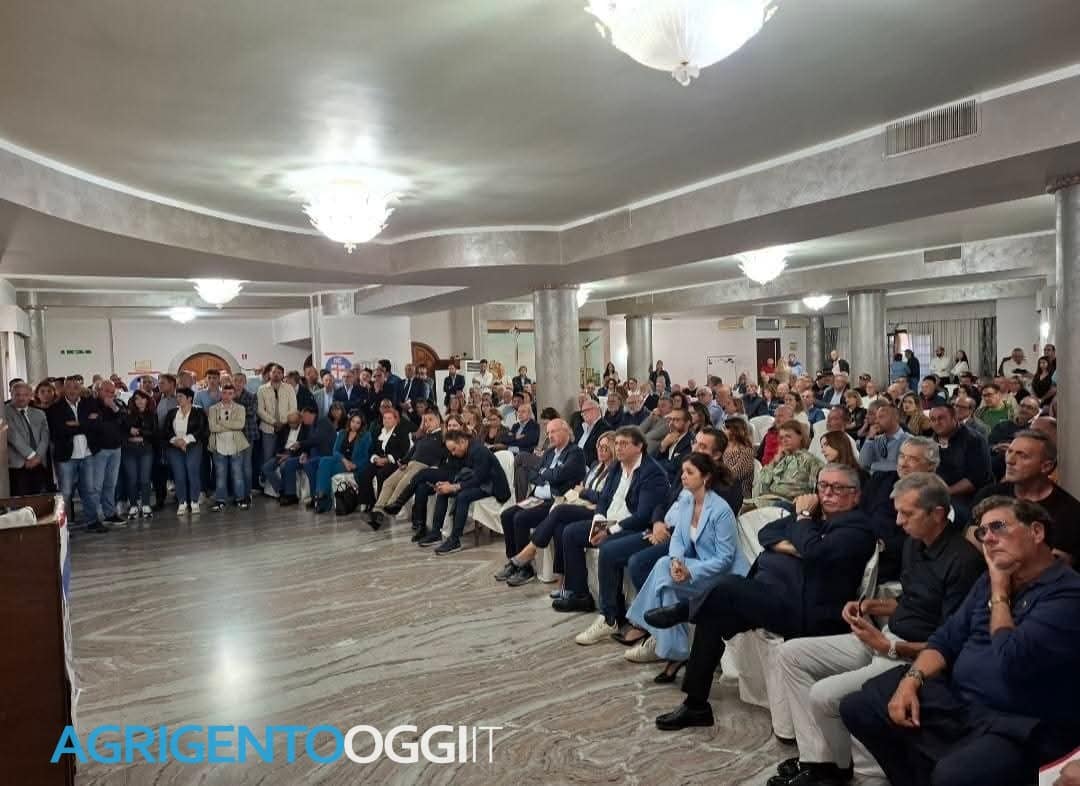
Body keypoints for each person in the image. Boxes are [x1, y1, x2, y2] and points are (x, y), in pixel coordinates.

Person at [839, 496, 1080, 786]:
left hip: (1020, 722)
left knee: (953, 774)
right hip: (961, 702)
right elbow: (945, 639)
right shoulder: (988, 581)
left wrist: (999, 591)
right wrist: (911, 681)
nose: (987, 538)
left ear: (1036, 532)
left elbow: (1010, 657)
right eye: (982, 532)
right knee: (859, 707)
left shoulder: (1067, 593)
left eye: (998, 527)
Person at [770, 473, 984, 786]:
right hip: (887, 639)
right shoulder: (915, 544)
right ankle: (821, 760)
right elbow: (913, 602)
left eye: (907, 514)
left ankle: (836, 769)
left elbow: (951, 642)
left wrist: (890, 647)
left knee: (824, 695)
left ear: (937, 514)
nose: (898, 522)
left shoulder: (963, 562)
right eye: (897, 512)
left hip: (912, 656)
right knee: (790, 653)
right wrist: (870, 606)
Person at [650, 464, 877, 731]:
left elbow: (816, 552)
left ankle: (684, 610)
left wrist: (803, 519)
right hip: (771, 596)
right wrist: (797, 545)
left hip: (805, 611)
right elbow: (767, 534)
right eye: (823, 486)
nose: (827, 493)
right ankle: (696, 705)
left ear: (855, 495)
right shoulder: (815, 518)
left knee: (727, 586)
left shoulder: (857, 529)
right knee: (712, 614)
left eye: (837, 488)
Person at [621, 453, 750, 682]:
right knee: (665, 571)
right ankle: (677, 653)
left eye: (689, 472)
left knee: (664, 578)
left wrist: (690, 571)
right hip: (699, 566)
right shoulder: (687, 501)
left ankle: (646, 626)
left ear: (706, 477)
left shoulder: (721, 510)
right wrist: (676, 562)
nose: (683, 476)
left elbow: (725, 559)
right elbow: (678, 539)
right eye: (683, 471)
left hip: (725, 577)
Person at [552, 426, 669, 618]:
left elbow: (642, 515)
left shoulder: (652, 472)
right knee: (570, 532)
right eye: (617, 443)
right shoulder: (616, 466)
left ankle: (613, 611)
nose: (619, 448)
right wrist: (599, 521)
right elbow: (604, 499)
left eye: (624, 443)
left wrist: (609, 530)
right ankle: (581, 595)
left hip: (632, 526)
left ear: (639, 446)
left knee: (608, 544)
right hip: (609, 521)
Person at [495, 419, 586, 586]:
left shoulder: (575, 453)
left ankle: (525, 568)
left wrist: (546, 474)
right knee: (507, 515)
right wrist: (548, 474)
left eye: (554, 431)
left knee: (520, 518)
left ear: (566, 431)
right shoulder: (549, 452)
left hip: (555, 501)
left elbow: (560, 475)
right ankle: (513, 561)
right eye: (548, 432)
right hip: (536, 498)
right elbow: (533, 474)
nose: (550, 436)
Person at [970, 430, 1080, 565]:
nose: (1010, 460)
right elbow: (970, 536)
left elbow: (1057, 561)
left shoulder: (1070, 511)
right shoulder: (989, 494)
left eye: (1022, 455)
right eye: (1009, 452)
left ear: (1046, 466)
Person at [413, 430, 512, 555]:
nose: (453, 453)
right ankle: (436, 533)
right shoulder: (460, 452)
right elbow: (458, 473)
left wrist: (454, 487)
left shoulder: (479, 451)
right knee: (443, 491)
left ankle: (455, 540)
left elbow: (479, 478)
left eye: (454, 449)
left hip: (493, 486)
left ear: (463, 442)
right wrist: (446, 484)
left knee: (463, 496)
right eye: (451, 451)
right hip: (479, 483)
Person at [371, 411, 446, 525]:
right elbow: (412, 450)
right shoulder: (424, 436)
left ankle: (389, 508)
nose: (427, 423)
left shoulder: (442, 436)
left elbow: (444, 454)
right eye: (425, 421)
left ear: (438, 420)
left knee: (403, 483)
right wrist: (403, 461)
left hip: (423, 465)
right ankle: (377, 511)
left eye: (431, 420)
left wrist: (437, 466)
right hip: (410, 463)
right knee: (388, 482)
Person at [927, 403, 991, 516]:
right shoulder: (930, 442)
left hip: (966, 498)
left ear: (954, 418)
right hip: (935, 493)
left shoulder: (974, 440)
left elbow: (975, 480)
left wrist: (945, 492)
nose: (937, 423)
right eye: (933, 419)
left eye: (941, 418)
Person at [313, 412, 372, 514]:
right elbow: (335, 451)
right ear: (349, 421)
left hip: (353, 466)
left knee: (324, 464)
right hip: (341, 461)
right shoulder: (342, 433)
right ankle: (322, 495)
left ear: (362, 424)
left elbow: (366, 457)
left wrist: (355, 465)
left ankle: (322, 500)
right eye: (353, 421)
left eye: (358, 423)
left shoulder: (366, 436)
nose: (354, 424)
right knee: (324, 460)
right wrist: (344, 460)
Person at [163, 387, 209, 515]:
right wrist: (176, 441)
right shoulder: (172, 412)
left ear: (189, 398)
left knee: (192, 472)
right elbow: (166, 430)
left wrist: (185, 440)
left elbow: (202, 429)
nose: (178, 399)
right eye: (177, 396)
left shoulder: (198, 411)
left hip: (193, 445)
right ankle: (182, 502)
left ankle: (194, 501)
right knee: (179, 474)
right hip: (175, 447)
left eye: (181, 396)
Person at [356, 407, 412, 511]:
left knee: (381, 474)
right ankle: (368, 502)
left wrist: (387, 459)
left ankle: (381, 504)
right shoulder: (378, 431)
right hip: (378, 460)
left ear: (395, 419)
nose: (386, 420)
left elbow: (404, 450)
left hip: (394, 462)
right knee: (364, 473)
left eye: (389, 418)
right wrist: (375, 458)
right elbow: (371, 449)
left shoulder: (401, 432)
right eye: (384, 418)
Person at [207, 382, 251, 512]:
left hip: (235, 445)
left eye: (230, 393)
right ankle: (220, 500)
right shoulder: (213, 409)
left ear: (234, 394)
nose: (227, 396)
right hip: (219, 445)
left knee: (237, 474)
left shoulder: (240, 408)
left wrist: (221, 423)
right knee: (220, 475)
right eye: (225, 393)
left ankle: (240, 498)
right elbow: (212, 427)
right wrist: (230, 425)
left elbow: (240, 425)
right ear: (221, 393)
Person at [756, 421, 823, 505]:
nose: (784, 440)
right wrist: (775, 460)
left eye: (788, 436)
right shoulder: (780, 460)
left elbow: (817, 488)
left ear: (800, 436)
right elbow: (762, 481)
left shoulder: (811, 461)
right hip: (768, 499)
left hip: (789, 503)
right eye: (781, 438)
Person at [5, 381, 51, 496]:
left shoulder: (39, 413)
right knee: (20, 499)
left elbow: (45, 437)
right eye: (17, 394)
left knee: (38, 498)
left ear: (31, 395)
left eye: (25, 395)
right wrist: (31, 456)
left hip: (39, 463)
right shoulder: (5, 412)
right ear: (11, 394)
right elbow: (13, 436)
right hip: (18, 464)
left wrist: (38, 457)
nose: (21, 398)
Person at [92, 381, 127, 526]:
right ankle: (94, 517)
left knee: (111, 484)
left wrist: (113, 407)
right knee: (96, 486)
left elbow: (125, 421)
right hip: (99, 450)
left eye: (112, 392)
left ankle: (110, 513)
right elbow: (94, 425)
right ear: (98, 391)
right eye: (106, 391)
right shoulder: (91, 404)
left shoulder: (117, 404)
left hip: (116, 449)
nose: (110, 394)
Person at [257, 363, 297, 487]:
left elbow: (293, 408)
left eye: (279, 372)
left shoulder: (289, 388)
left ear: (282, 375)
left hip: (286, 428)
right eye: (274, 372)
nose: (276, 374)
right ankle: (267, 486)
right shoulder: (262, 389)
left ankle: (282, 486)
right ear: (269, 374)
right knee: (268, 457)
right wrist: (274, 422)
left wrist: (283, 422)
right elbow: (260, 410)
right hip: (268, 428)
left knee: (283, 457)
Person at [121, 390, 157, 519]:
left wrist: (140, 433)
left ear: (147, 400)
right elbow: (122, 431)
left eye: (142, 398)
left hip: (146, 450)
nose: (140, 401)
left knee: (145, 479)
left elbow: (154, 433)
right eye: (137, 399)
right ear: (133, 401)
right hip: (129, 450)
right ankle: (133, 505)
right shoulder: (127, 414)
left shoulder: (152, 415)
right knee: (132, 479)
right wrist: (130, 433)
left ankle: (146, 504)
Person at [858, 402, 908, 474]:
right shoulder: (875, 439)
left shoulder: (907, 441)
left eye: (881, 417)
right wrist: (869, 438)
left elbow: (900, 467)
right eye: (876, 417)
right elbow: (863, 464)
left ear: (895, 418)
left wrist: (873, 465)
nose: (876, 421)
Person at [655, 407, 693, 482]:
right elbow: (652, 458)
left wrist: (656, 465)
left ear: (687, 423)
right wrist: (663, 445)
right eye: (671, 419)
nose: (671, 423)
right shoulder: (668, 436)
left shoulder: (691, 442)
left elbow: (674, 467)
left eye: (676, 420)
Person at [722, 417, 756, 499]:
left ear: (735, 432)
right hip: (722, 488)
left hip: (739, 493)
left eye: (725, 429)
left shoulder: (747, 452)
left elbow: (735, 476)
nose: (722, 431)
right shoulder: (721, 448)